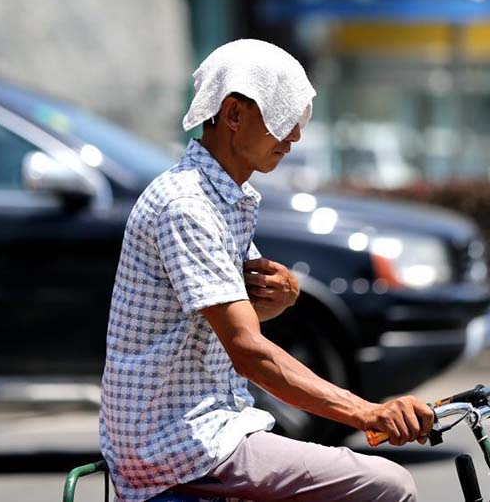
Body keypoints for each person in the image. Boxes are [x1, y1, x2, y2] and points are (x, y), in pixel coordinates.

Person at [100, 39, 434, 502]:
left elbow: (230, 321)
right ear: (233, 115)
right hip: (181, 443)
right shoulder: (187, 206)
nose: (294, 136)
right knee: (389, 485)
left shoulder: (223, 199)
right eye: (281, 116)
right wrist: (367, 414)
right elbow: (247, 350)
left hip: (208, 428)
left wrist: (284, 295)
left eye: (298, 119)